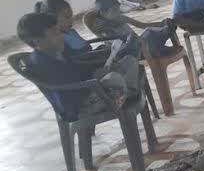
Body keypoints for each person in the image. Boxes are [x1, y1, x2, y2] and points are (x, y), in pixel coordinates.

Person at [18, 12, 146, 119]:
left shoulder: (57, 52)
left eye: (59, 31)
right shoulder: (42, 63)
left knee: (129, 61)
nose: (61, 36)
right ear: (37, 40)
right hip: (81, 105)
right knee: (114, 78)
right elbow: (69, 84)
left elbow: (76, 67)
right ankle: (125, 93)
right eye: (55, 33)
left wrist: (99, 69)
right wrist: (95, 78)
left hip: (92, 89)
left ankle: (127, 92)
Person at [93, 0, 176, 58]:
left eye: (118, 10)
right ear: (103, 13)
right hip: (131, 53)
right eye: (114, 10)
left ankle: (161, 40)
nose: (118, 13)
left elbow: (142, 25)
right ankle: (159, 46)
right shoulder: (104, 30)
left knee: (153, 31)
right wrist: (132, 40)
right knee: (149, 33)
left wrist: (161, 23)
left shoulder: (119, 18)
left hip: (139, 44)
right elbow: (120, 49)